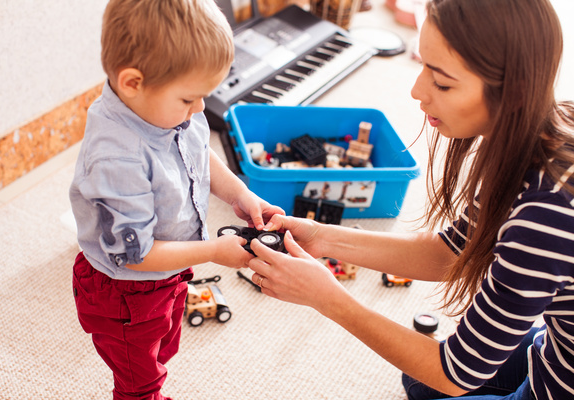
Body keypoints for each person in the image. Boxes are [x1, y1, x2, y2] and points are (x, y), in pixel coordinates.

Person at [246, 0, 574, 399]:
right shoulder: (552, 125)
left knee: (432, 376)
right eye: (423, 65)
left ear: (515, 92)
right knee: (418, 381)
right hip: (557, 347)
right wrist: (321, 237)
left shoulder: (544, 215)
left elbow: (456, 373)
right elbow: (450, 252)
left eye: (443, 83)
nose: (417, 91)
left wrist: (327, 298)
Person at [69, 1, 283, 399]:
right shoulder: (117, 158)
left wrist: (239, 192)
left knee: (163, 346)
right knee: (139, 378)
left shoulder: (170, 108)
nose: (200, 109)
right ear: (132, 83)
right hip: (126, 290)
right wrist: (213, 251)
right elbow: (137, 255)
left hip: (170, 270)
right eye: (189, 99)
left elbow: (198, 152)